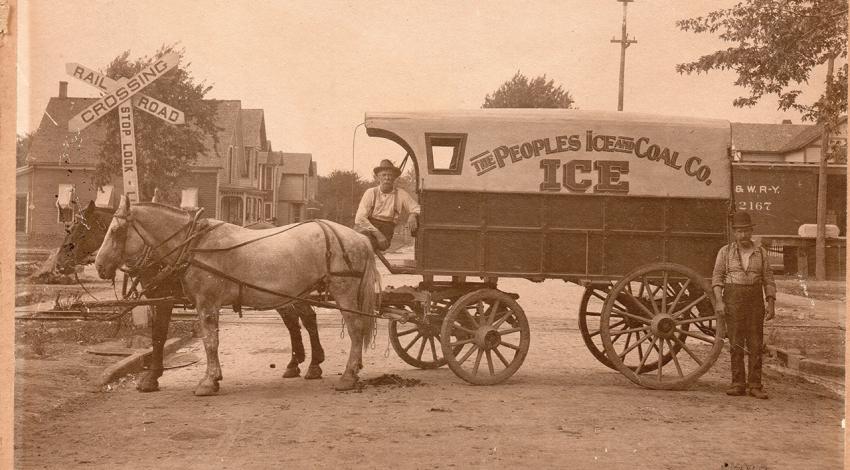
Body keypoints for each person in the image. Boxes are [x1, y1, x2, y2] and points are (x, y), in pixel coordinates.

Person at [711, 211, 776, 399]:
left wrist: (770, 303)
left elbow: (768, 279)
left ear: (751, 232)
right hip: (733, 297)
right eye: (739, 231)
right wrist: (720, 301)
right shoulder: (725, 251)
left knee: (756, 343)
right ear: (734, 233)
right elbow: (717, 278)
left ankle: (755, 385)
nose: (743, 235)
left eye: (746, 231)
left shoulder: (761, 253)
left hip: (755, 298)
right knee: (736, 342)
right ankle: (737, 383)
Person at [355, 159, 420, 251]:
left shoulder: (401, 194)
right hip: (367, 227)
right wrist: (377, 234)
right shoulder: (370, 192)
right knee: (357, 241)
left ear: (394, 178)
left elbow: (417, 208)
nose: (387, 178)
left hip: (386, 231)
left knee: (361, 244)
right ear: (378, 177)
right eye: (384, 175)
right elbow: (359, 218)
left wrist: (413, 215)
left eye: (390, 175)